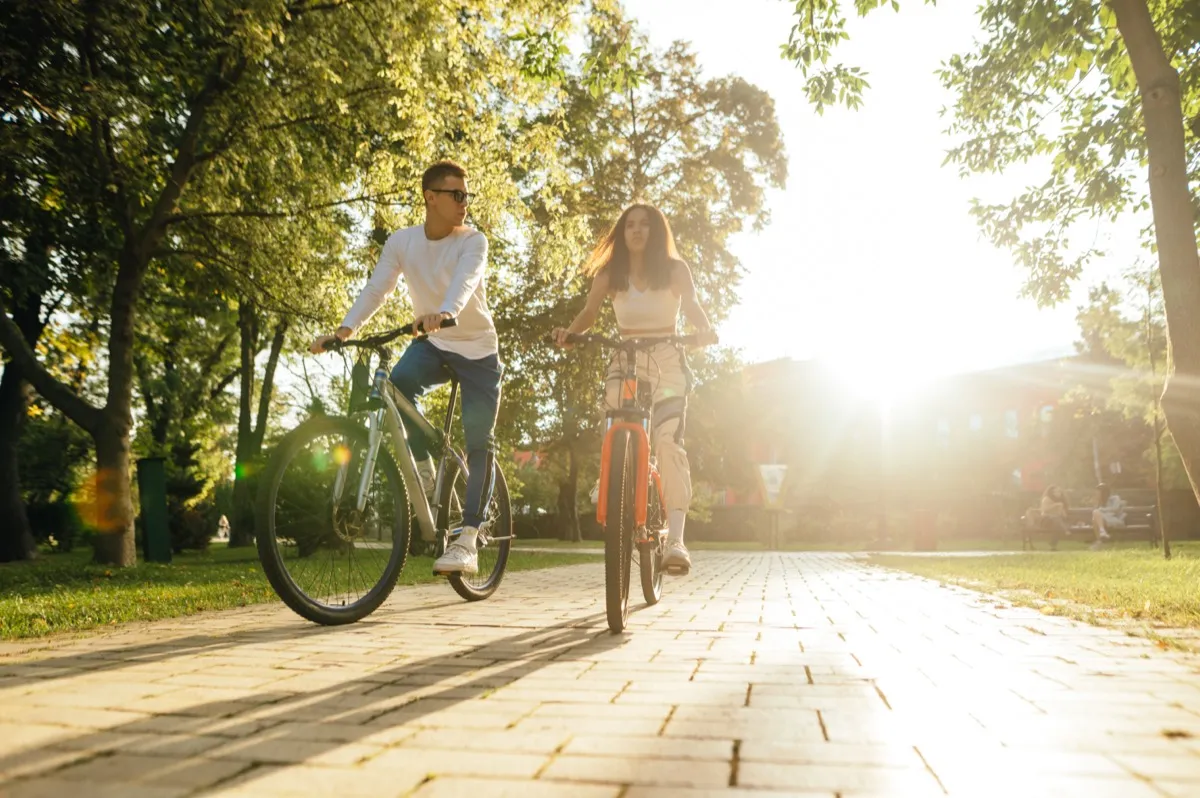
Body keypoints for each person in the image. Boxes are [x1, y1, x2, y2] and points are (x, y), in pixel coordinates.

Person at [311, 160, 501, 576]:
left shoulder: (473, 241)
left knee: (478, 440)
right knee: (396, 387)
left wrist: (444, 311)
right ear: (430, 197)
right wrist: (343, 331)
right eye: (456, 195)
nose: (464, 203)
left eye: (467, 195)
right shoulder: (402, 242)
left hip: (477, 351)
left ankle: (467, 540)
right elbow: (378, 288)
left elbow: (465, 282)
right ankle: (430, 474)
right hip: (434, 344)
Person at [552, 203, 718, 574]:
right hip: (626, 356)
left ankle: (675, 540)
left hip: (668, 358)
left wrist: (704, 329)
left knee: (667, 441)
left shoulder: (675, 271)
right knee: (612, 408)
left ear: (657, 232)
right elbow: (590, 313)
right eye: (630, 226)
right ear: (622, 234)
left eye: (645, 225)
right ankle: (608, 480)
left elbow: (692, 306)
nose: (637, 231)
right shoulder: (612, 275)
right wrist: (570, 333)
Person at [1090, 482, 1125, 550]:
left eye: (1098, 492)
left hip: (1115, 519)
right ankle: (1102, 535)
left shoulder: (1115, 498)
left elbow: (1115, 509)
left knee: (1095, 513)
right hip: (1104, 521)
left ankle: (1101, 538)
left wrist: (1101, 509)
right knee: (1095, 519)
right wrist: (1096, 503)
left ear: (1103, 492)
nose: (1097, 494)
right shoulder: (1100, 502)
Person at [1038, 485, 1069, 551]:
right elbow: (1044, 509)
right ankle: (1065, 530)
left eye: (1059, 492)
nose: (1058, 493)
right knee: (1055, 519)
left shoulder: (1062, 501)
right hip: (1046, 520)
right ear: (1051, 492)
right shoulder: (1046, 499)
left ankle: (1053, 544)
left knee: (1056, 521)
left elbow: (1063, 515)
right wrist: (1055, 505)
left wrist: (1062, 511)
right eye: (1055, 492)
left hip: (1057, 521)